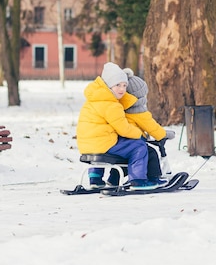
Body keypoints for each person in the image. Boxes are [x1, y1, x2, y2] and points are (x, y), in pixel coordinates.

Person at [75, 62, 166, 191]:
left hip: (86, 145)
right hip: (104, 144)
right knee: (138, 147)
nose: (122, 89)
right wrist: (139, 135)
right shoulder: (112, 105)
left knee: (113, 142)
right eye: (117, 85)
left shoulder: (93, 100)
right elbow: (124, 129)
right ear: (107, 85)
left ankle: (95, 178)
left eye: (124, 85)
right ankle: (138, 180)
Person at [122, 68, 176, 181]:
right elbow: (152, 127)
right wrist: (164, 134)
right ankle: (154, 178)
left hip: (120, 144)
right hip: (135, 141)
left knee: (123, 162)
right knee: (151, 154)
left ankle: (113, 180)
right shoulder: (138, 112)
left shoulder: (120, 109)